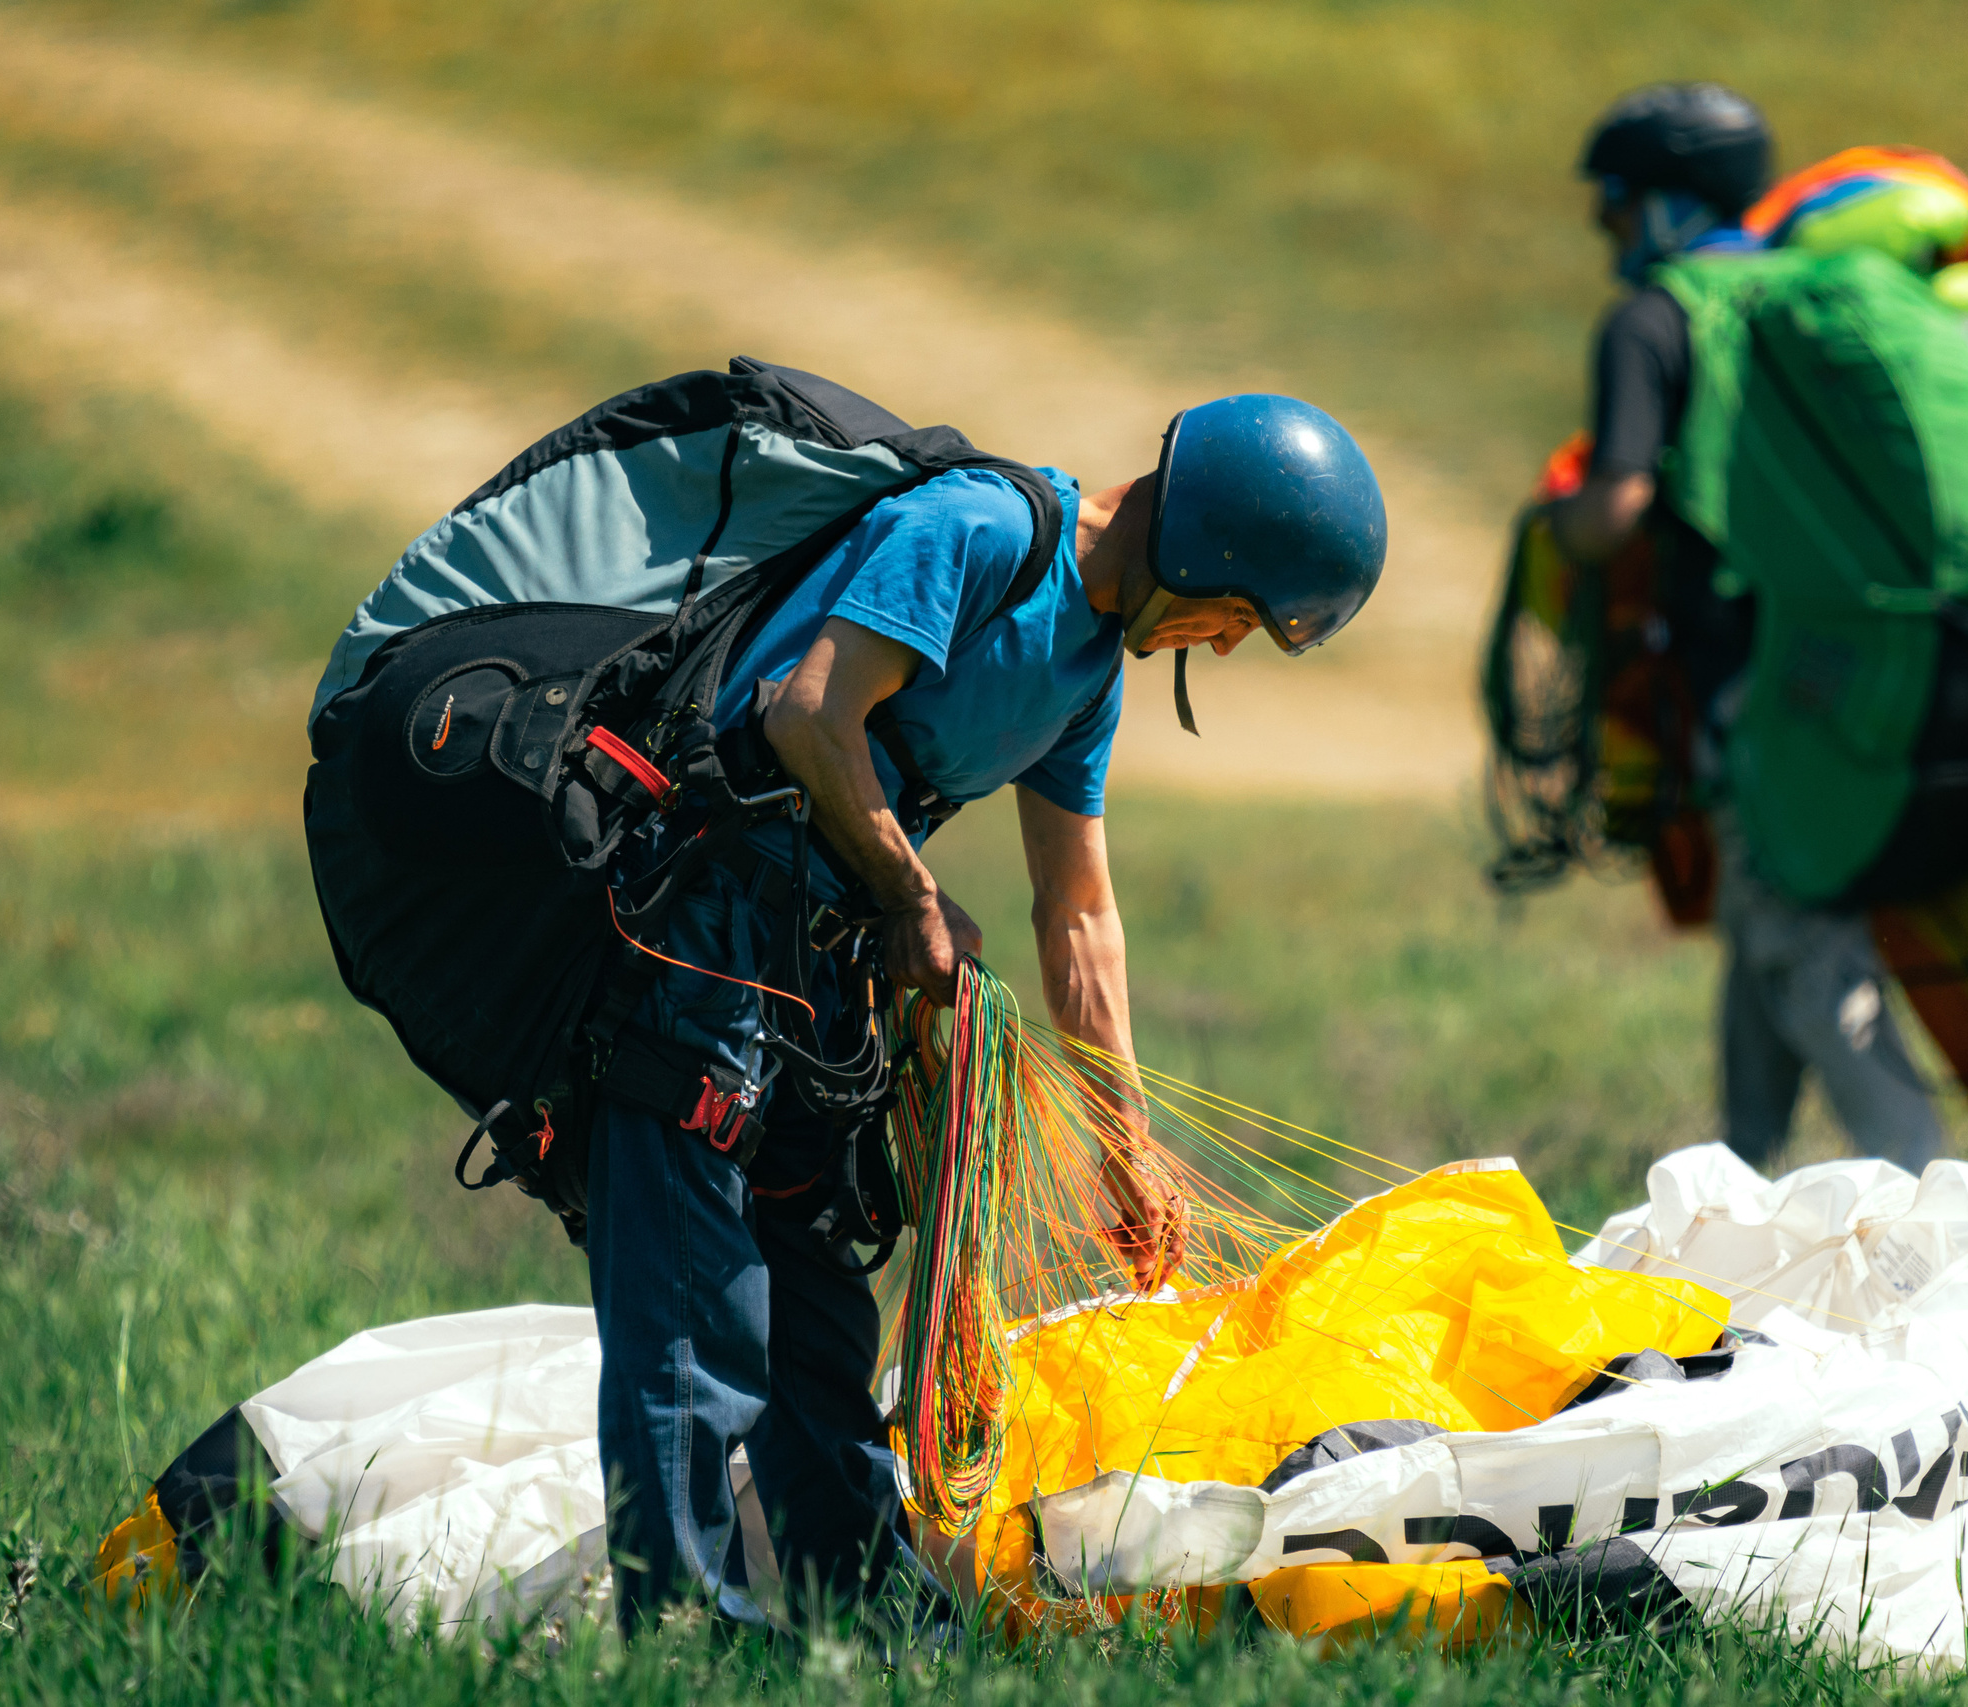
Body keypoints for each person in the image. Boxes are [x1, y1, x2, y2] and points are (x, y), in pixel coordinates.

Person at [577, 393, 1388, 1632]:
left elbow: (1079, 915)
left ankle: (869, 1627)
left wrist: (1126, 1145)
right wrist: (914, 897)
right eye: (1239, 617)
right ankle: (681, 1641)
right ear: (1206, 549)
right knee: (702, 1305)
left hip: (807, 978)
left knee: (818, 1316)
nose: (1223, 648)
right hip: (692, 941)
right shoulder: (976, 534)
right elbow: (809, 708)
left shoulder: (1086, 679)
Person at [1550, 83, 1944, 1177]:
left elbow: (1614, 506)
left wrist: (1555, 526)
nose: (1608, 235)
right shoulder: (1811, 301)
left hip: (1757, 693)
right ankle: (1741, 1169)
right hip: (1869, 671)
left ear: (1665, 207)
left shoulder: (1652, 322)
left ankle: (1932, 1187)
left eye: (1616, 210)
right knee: (1763, 924)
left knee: (1797, 938)